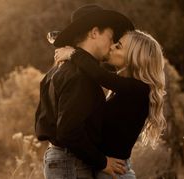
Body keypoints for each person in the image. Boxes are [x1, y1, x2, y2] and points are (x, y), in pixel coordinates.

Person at [35, 4, 134, 179]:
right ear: (94, 32)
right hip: (72, 163)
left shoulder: (57, 69)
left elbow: (42, 122)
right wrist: (102, 162)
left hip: (62, 159)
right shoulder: (80, 75)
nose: (112, 44)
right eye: (110, 37)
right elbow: (68, 131)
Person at [54, 29, 167, 178]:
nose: (112, 46)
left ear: (134, 58)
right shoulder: (124, 88)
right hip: (107, 170)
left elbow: (100, 75)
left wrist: (73, 54)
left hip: (116, 172)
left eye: (119, 46)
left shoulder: (139, 89)